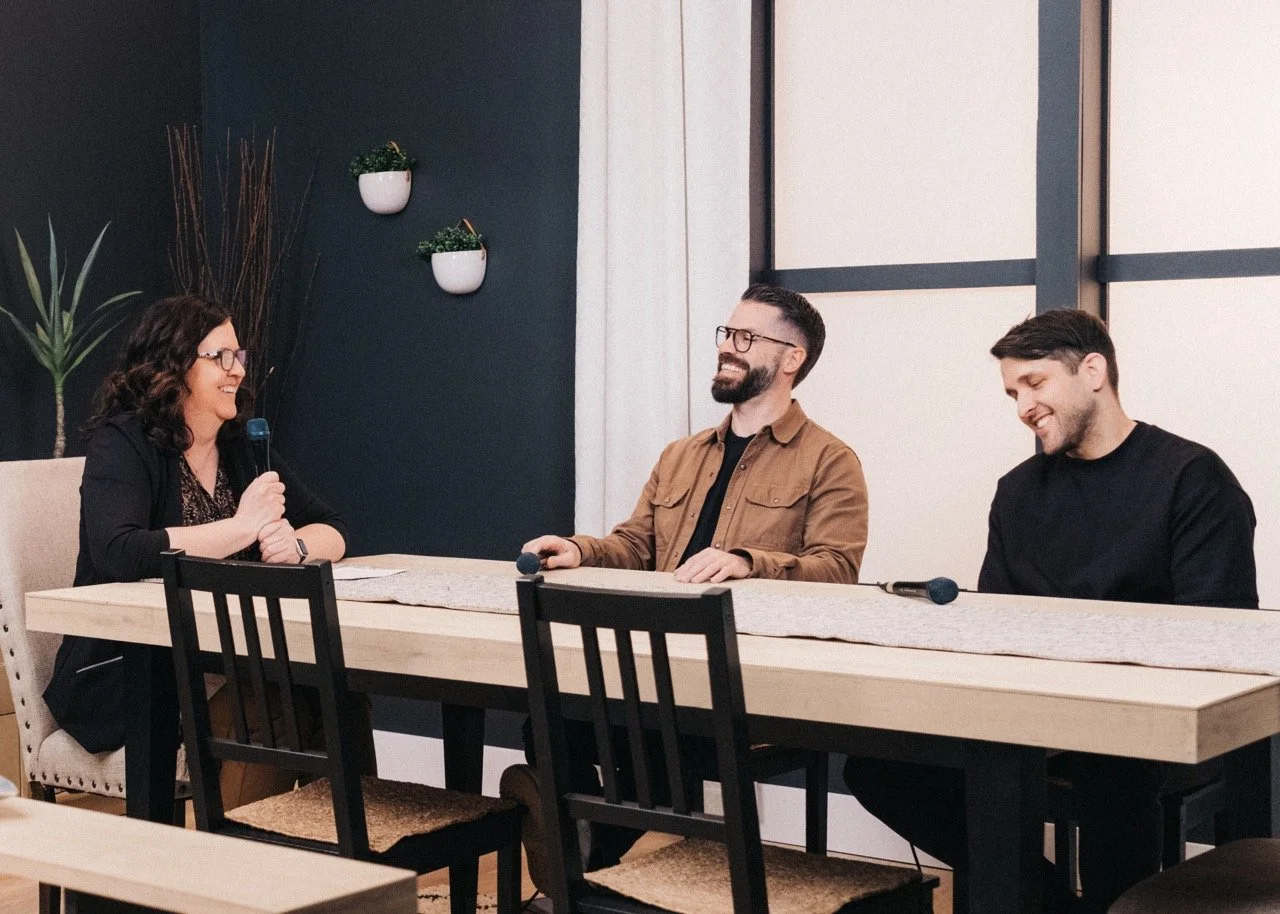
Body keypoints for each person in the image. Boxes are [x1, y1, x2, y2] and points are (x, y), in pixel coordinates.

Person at [843, 308, 1257, 912]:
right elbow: (999, 625)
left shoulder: (1192, 477)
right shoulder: (1017, 490)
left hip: (1145, 714)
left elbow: (1220, 631)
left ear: (1093, 370)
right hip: (1034, 710)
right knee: (878, 766)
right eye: (1012, 393)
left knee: (1112, 765)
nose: (1021, 407)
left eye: (1033, 384)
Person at [504, 283, 869, 887]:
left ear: (791, 359)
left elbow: (839, 571)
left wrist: (750, 562)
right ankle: (585, 859)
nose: (727, 348)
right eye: (726, 334)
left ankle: (579, 859)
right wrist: (578, 550)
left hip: (746, 683)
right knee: (551, 714)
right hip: (658, 670)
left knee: (638, 734)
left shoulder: (832, 461)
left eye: (745, 338)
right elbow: (635, 546)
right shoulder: (680, 455)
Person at [42, 294, 355, 808]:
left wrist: (294, 544)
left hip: (223, 659)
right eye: (220, 358)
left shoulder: (241, 445)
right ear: (175, 366)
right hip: (128, 672)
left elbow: (337, 528)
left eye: (240, 357)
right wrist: (244, 526)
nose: (236, 371)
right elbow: (118, 550)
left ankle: (355, 865)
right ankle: (236, 868)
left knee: (334, 694)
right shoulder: (125, 442)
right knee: (270, 698)